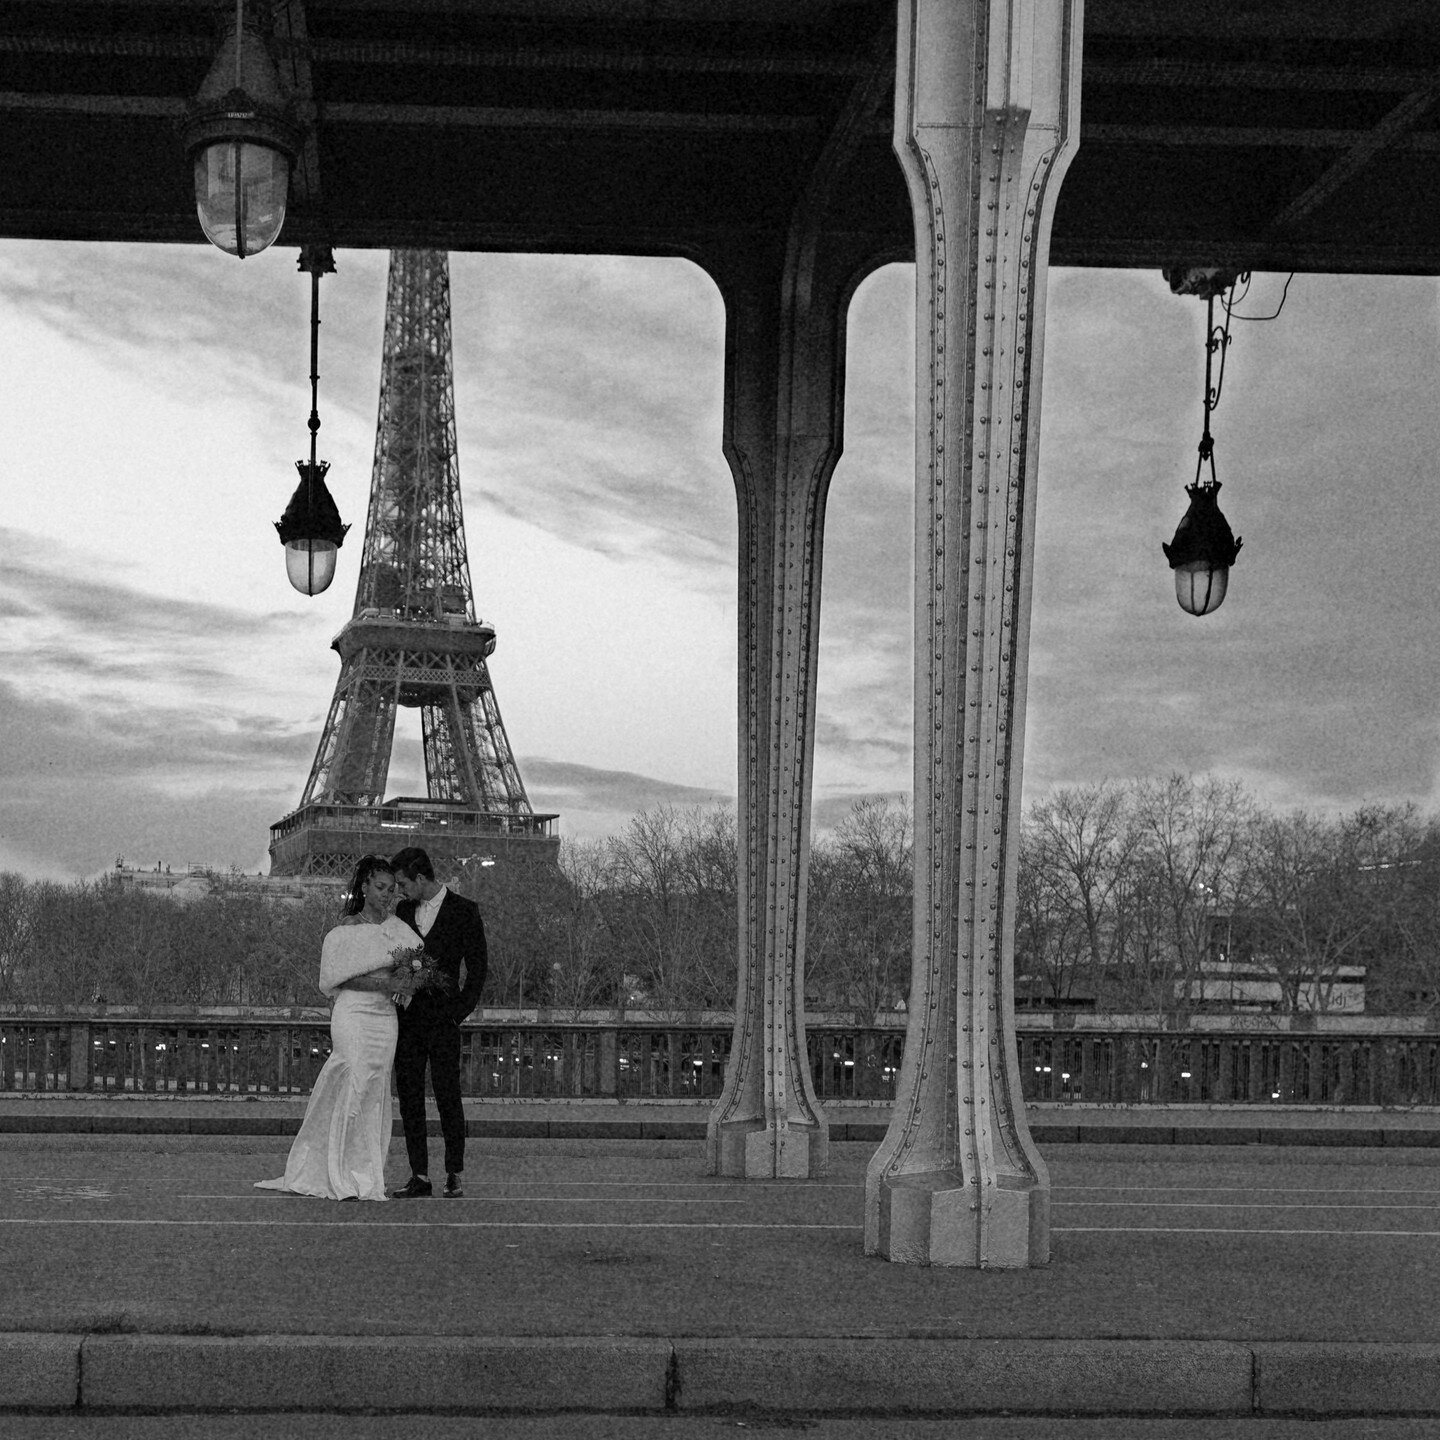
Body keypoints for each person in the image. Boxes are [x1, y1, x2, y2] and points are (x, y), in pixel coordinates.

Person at [256, 856, 420, 1202]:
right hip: (354, 1016)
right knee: (354, 1083)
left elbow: (411, 974)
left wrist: (406, 982)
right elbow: (335, 980)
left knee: (374, 1090)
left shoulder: (400, 930)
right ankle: (339, 1170)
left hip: (384, 1018)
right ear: (364, 887)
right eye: (380, 888)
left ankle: (363, 1173)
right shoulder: (343, 931)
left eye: (391, 889)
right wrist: (387, 981)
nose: (387, 895)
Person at [389, 846, 487, 1199]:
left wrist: (456, 1012)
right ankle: (419, 1174)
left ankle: (453, 1171)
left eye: (402, 883)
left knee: (449, 1096)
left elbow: (477, 970)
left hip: (444, 1020)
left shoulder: (464, 911)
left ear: (421, 877)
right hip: (409, 1019)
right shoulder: (402, 911)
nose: (399, 891)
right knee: (410, 1098)